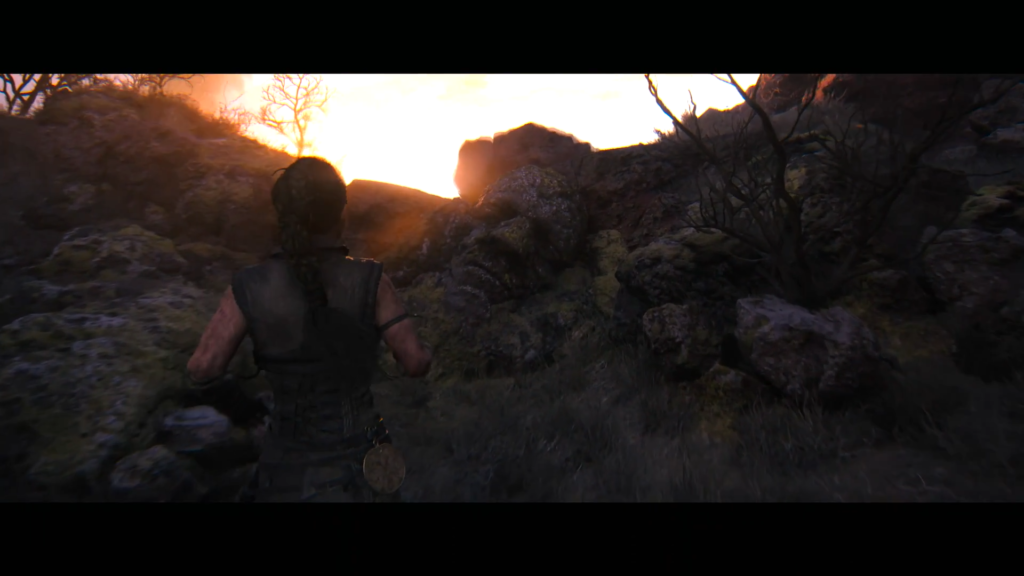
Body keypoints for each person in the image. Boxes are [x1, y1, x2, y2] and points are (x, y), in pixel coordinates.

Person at [185, 157, 432, 502]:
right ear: (340, 213)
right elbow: (416, 363)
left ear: (283, 215)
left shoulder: (248, 286)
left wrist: (247, 401)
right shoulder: (372, 280)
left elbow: (202, 368)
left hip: (287, 466)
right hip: (365, 459)